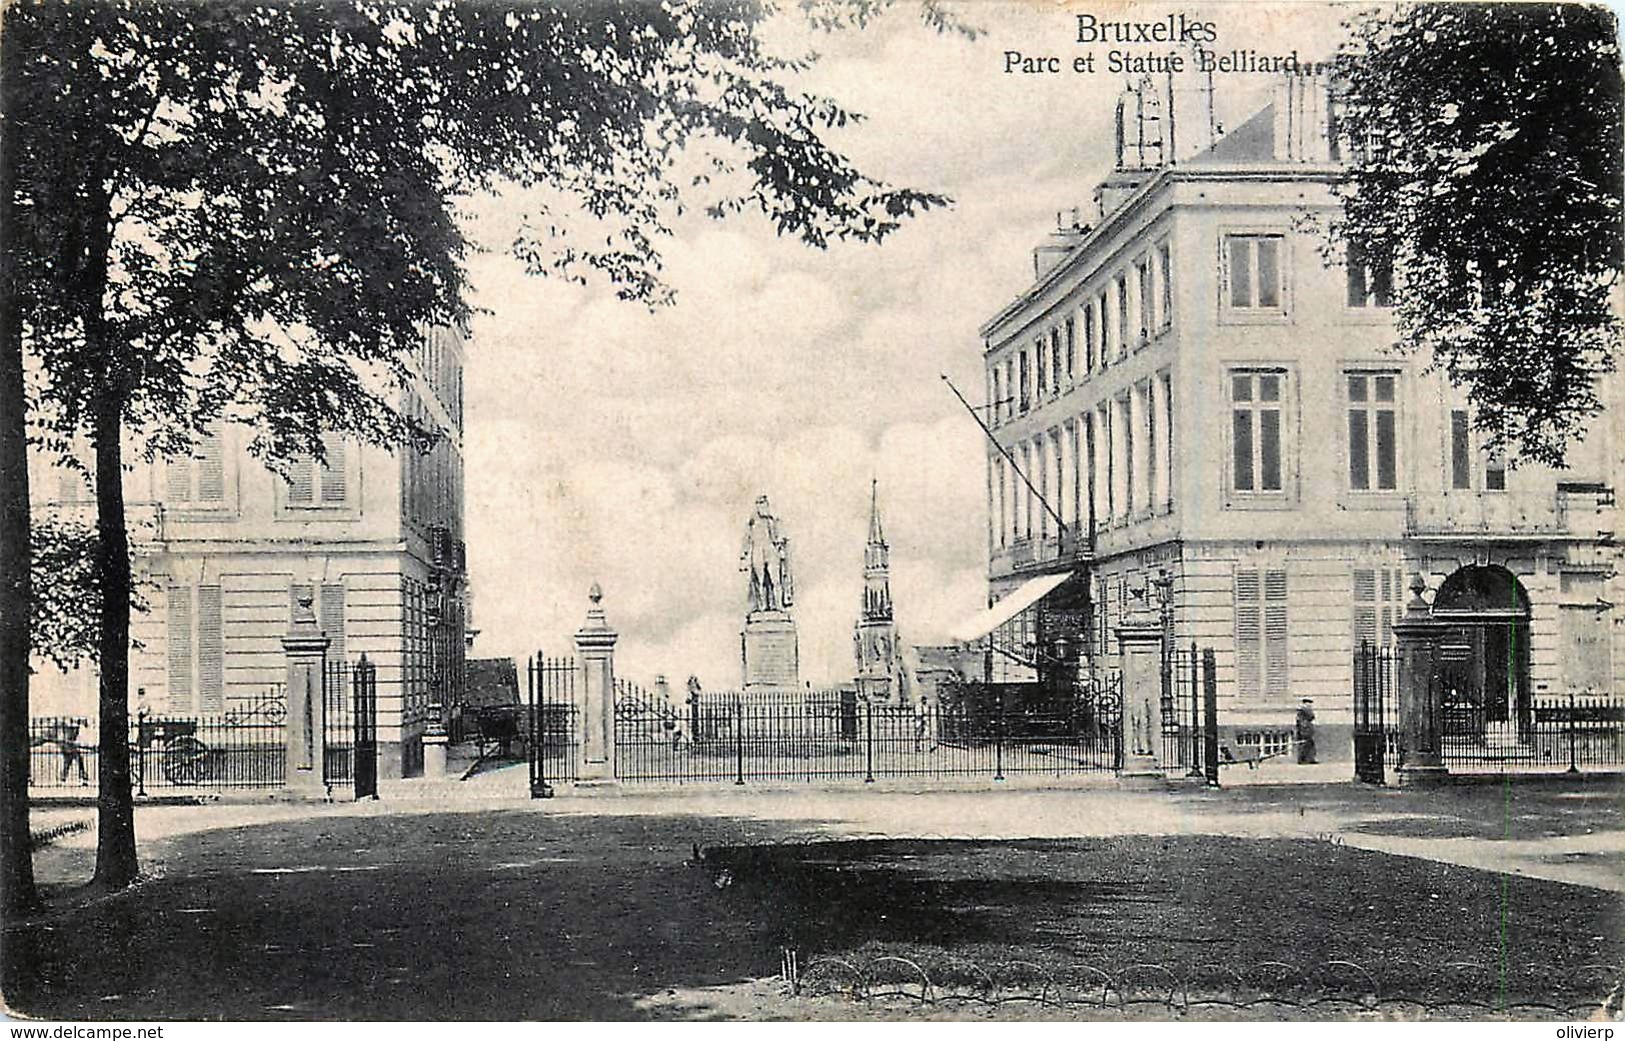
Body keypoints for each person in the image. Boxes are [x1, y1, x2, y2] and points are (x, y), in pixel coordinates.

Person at [1295, 698, 1317, 765]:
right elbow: (1311, 717)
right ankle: (1302, 760)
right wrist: (1303, 731)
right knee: (1303, 745)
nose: (1310, 705)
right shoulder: (1303, 711)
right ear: (1305, 703)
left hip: (1307, 730)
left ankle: (1310, 759)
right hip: (1304, 731)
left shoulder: (1304, 711)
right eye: (1309, 703)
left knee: (1310, 745)